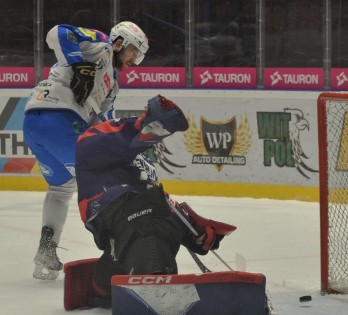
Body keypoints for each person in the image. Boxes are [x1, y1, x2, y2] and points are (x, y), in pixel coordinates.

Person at [23, 21, 149, 280]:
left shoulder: (112, 85)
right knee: (108, 183)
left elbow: (104, 122)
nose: (134, 60)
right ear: (119, 43)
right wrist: (78, 62)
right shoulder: (100, 44)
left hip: (34, 124)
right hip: (60, 121)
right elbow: (56, 32)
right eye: (133, 51)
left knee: (61, 189)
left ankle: (46, 250)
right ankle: (118, 250)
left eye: (138, 56)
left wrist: (123, 147)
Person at [74, 95, 231, 298]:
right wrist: (138, 126)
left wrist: (194, 231)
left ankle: (107, 279)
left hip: (133, 218)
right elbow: (90, 144)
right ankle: (152, 280)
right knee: (146, 215)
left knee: (158, 217)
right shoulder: (96, 142)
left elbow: (163, 202)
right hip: (103, 206)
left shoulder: (144, 164)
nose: (158, 135)